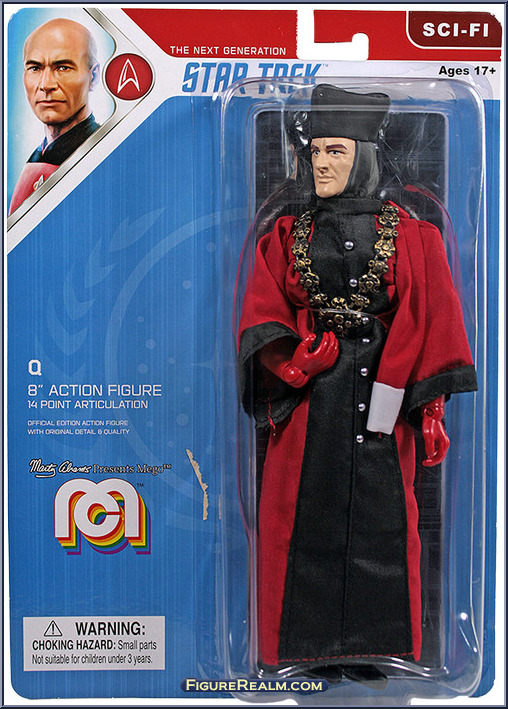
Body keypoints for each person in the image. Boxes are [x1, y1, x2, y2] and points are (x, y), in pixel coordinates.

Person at [238, 84, 477, 678]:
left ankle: (377, 647)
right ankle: (302, 648)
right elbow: (263, 310)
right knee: (298, 517)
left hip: (385, 399)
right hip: (310, 403)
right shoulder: (286, 234)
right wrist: (295, 364)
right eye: (315, 151)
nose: (321, 163)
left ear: (364, 155)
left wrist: (430, 411)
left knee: (384, 521)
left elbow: (434, 317)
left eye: (336, 151)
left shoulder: (413, 235)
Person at [9, 18, 100, 215]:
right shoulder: (38, 158)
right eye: (35, 68)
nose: (46, 85)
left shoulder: (103, 153)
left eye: (63, 67)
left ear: (93, 77)